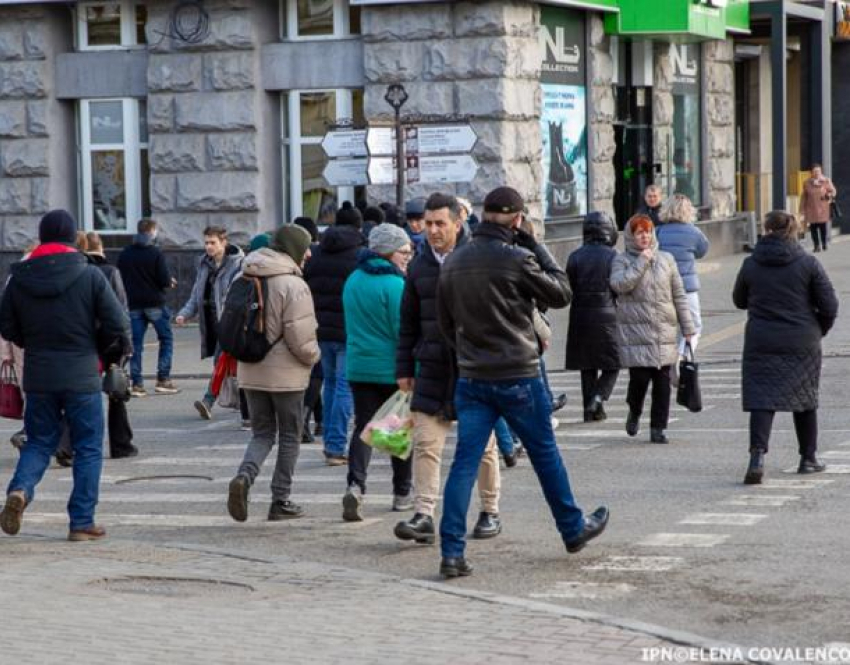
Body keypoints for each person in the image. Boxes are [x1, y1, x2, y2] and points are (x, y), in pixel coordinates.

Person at [436, 186, 608, 579]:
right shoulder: (518, 258)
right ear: (516, 219)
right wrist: (534, 244)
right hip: (518, 373)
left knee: (464, 463)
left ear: (481, 215)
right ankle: (572, 528)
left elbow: (446, 327)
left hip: (473, 377)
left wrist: (470, 354)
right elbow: (562, 292)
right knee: (545, 455)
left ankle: (451, 552)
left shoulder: (454, 262)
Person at [0, 210, 130, 541]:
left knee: (40, 440)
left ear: (42, 237)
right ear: (73, 238)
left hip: (39, 374)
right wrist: (97, 348)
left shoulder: (20, 278)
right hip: (82, 373)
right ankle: (81, 522)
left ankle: (20, 490)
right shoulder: (90, 275)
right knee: (87, 446)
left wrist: (30, 342)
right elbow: (118, 323)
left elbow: (7, 326)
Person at [394, 193, 502, 544]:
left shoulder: (477, 259)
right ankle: (424, 514)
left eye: (440, 223)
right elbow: (407, 321)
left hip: (472, 367)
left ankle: (490, 510)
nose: (433, 230)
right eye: (428, 224)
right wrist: (403, 368)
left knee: (481, 445)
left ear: (458, 222)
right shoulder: (419, 265)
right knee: (427, 443)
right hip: (431, 367)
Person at [733, 211, 838, 484]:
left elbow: (739, 300)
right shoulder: (807, 263)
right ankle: (808, 458)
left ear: (765, 230)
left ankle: (757, 457)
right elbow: (829, 304)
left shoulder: (751, 264)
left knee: (761, 399)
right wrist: (818, 329)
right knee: (805, 398)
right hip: (801, 340)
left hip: (761, 340)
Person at [227, 225, 321, 522]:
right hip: (287, 375)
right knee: (290, 436)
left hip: (251, 368)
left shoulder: (244, 274)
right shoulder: (293, 285)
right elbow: (301, 338)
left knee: (262, 432)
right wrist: (315, 358)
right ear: (292, 248)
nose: (308, 253)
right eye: (304, 247)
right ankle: (280, 500)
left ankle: (244, 475)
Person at [341, 224, 414, 521]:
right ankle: (402, 493)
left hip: (359, 367)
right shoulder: (395, 285)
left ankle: (355, 485)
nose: (408, 256)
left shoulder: (353, 280)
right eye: (403, 251)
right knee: (398, 429)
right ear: (386, 251)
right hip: (391, 370)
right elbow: (403, 331)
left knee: (363, 427)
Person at [610, 215, 695, 444]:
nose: (644, 237)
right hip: (636, 332)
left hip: (663, 330)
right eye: (639, 233)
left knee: (662, 383)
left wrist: (688, 327)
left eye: (647, 232)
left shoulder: (666, 259)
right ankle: (634, 411)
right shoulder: (622, 260)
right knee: (639, 381)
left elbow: (679, 294)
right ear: (631, 236)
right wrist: (641, 262)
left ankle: (658, 427)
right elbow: (619, 285)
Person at [303, 204, 365, 465]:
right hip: (348, 331)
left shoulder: (317, 253)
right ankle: (337, 446)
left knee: (329, 385)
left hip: (321, 330)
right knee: (343, 387)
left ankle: (331, 443)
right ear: (358, 227)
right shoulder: (359, 256)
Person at [176, 226, 244, 420]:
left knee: (221, 361)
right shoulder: (204, 265)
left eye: (212, 242)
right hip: (213, 323)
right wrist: (184, 314)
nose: (208, 247)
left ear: (224, 242)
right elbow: (196, 294)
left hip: (230, 322)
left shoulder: (238, 264)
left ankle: (208, 400)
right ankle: (245, 404)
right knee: (232, 365)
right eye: (206, 242)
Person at [565, 211, 620, 422]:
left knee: (587, 365)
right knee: (613, 363)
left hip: (580, 314)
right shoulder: (613, 256)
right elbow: (618, 287)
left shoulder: (575, 256)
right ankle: (598, 397)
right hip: (607, 314)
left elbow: (568, 287)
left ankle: (590, 410)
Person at [87, 232, 138, 459]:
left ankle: (69, 446)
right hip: (110, 341)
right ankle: (121, 444)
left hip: (84, 341)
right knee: (116, 392)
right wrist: (128, 343)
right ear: (102, 248)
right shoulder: (110, 272)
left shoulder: (78, 273)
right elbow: (121, 310)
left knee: (80, 395)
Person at [116, 218, 178, 397]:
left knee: (135, 344)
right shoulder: (155, 252)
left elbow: (120, 277)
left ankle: (137, 383)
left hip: (134, 304)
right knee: (166, 339)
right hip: (155, 303)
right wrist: (170, 282)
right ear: (151, 231)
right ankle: (163, 379)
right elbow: (164, 279)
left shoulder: (126, 253)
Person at [657, 194, 710, 357]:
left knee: (666, 327)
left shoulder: (657, 231)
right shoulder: (694, 232)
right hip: (687, 289)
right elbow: (702, 251)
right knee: (693, 326)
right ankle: (682, 356)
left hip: (663, 288)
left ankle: (667, 360)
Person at [293, 217, 323, 443]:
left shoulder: (297, 257)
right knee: (318, 373)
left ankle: (316, 419)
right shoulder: (319, 255)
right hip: (323, 322)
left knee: (313, 373)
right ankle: (305, 417)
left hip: (302, 319)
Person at [799, 164, 837, 252]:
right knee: (813, 228)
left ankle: (824, 243)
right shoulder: (807, 182)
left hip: (823, 208)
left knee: (823, 227)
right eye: (815, 171)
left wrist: (828, 194)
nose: (816, 173)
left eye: (818, 171)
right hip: (811, 208)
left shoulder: (826, 181)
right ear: (812, 173)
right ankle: (816, 246)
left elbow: (834, 191)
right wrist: (801, 209)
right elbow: (804, 196)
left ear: (821, 172)